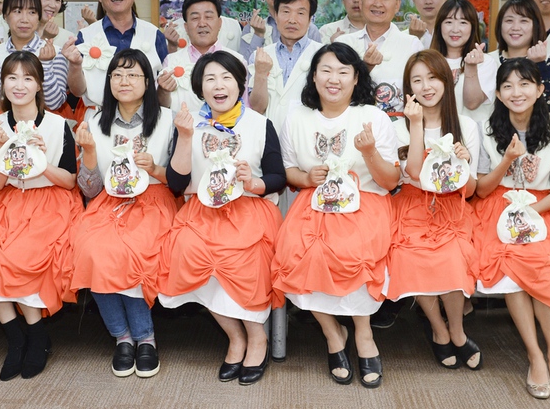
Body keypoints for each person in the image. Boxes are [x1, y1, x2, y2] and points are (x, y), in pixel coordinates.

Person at [273, 43, 401, 388]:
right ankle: (332, 333)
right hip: (314, 202)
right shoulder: (297, 117)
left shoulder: (373, 116)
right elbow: (288, 171)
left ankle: (362, 332)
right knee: (296, 253)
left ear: (356, 78)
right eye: (326, 70)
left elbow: (390, 181)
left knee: (354, 251)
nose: (334, 79)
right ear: (313, 76)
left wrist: (369, 152)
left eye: (343, 71)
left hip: (366, 201)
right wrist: (305, 178)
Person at [157, 51, 286, 386]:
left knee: (247, 259)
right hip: (202, 211)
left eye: (227, 77)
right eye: (210, 78)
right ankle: (234, 336)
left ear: (240, 84)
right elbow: (176, 183)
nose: (219, 85)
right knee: (186, 251)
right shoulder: (189, 124)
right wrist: (185, 138)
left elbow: (277, 176)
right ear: (200, 88)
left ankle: (256, 337)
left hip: (248, 208)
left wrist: (253, 182)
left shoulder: (259, 123)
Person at [0, 51, 82, 381]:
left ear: (39, 85)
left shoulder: (58, 124)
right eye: (12, 78)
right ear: (3, 85)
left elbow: (69, 180)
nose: (19, 85)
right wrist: (6, 149)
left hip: (51, 202)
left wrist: (39, 158)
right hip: (9, 202)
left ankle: (35, 336)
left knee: (21, 255)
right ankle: (19, 337)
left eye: (28, 78)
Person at [474, 58, 550, 400]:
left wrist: (530, 210)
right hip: (497, 207)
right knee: (512, 264)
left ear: (539, 89)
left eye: (524, 84)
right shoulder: (486, 131)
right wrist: (506, 159)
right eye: (507, 86)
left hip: (541, 206)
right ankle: (534, 354)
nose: (516, 92)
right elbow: (482, 190)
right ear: (499, 95)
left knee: (544, 261)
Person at [70, 49, 176, 379]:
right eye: (117, 74)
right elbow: (89, 189)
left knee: (130, 251)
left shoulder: (167, 120)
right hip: (108, 202)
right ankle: (123, 337)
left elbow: (180, 179)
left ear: (147, 82)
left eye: (133, 74)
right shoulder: (94, 123)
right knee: (90, 248)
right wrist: (89, 153)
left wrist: (156, 169)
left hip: (153, 201)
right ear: (108, 81)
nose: (124, 81)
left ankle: (145, 337)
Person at [387, 49, 482, 372]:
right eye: (417, 79)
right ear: (408, 87)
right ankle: (438, 329)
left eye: (432, 77)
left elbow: (470, 191)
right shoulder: (400, 125)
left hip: (452, 207)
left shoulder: (466, 126)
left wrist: (464, 162)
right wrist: (415, 125)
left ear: (446, 80)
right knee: (408, 255)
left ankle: (456, 330)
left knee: (453, 255)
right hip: (412, 204)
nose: (426, 86)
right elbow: (414, 173)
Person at [64, 0, 167, 109]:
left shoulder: (154, 34)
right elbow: (78, 91)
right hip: (98, 119)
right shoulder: (85, 37)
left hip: (146, 119)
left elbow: (164, 85)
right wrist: (74, 65)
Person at [340, 0, 424, 116]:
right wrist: (365, 67)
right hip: (352, 126)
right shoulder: (343, 44)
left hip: (399, 131)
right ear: (360, 1)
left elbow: (421, 92)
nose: (378, 3)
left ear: (397, 5)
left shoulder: (412, 45)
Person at [0, 0, 68, 114]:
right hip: (2, 127)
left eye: (32, 12)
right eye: (17, 11)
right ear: (5, 16)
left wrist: (46, 66)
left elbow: (55, 103)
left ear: (38, 17)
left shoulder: (54, 53)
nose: (24, 19)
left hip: (43, 128)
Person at [158, 0, 246, 113]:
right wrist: (163, 91)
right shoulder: (171, 61)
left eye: (208, 17)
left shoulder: (237, 60)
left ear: (220, 23)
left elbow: (245, 106)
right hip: (180, 130)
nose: (202, 23)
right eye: (195, 18)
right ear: (186, 27)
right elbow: (162, 108)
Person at [248, 0, 324, 126]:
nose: (292, 20)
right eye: (286, 11)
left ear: (310, 19)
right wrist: (261, 73)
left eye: (300, 13)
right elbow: (257, 107)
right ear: (276, 16)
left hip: (308, 135)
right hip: (268, 137)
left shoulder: (324, 55)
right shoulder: (259, 56)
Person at [490, 0, 550, 118]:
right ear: (500, 25)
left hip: (540, 134)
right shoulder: (488, 60)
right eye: (509, 21)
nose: (515, 27)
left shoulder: (548, 61)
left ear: (535, 25)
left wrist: (537, 65)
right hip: (496, 133)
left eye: (524, 21)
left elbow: (549, 103)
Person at [429, 0, 499, 125]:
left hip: (474, 138)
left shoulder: (485, 62)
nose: (455, 29)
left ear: (473, 27)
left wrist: (471, 67)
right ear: (439, 26)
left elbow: (472, 103)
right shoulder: (428, 62)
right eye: (448, 22)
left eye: (463, 22)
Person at [239, 0, 322, 60]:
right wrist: (258, 35)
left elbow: (318, 62)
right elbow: (244, 67)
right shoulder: (251, 29)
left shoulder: (310, 29)